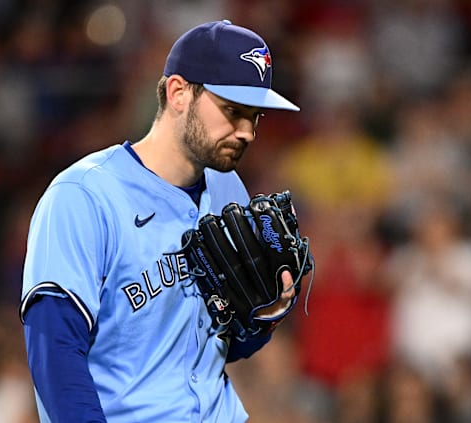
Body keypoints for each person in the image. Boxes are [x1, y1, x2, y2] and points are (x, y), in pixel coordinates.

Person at [20, 20, 301, 422]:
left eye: (254, 115)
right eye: (233, 111)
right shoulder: (85, 195)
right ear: (179, 93)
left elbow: (221, 346)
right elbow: (54, 348)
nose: (247, 132)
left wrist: (261, 319)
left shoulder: (229, 192)